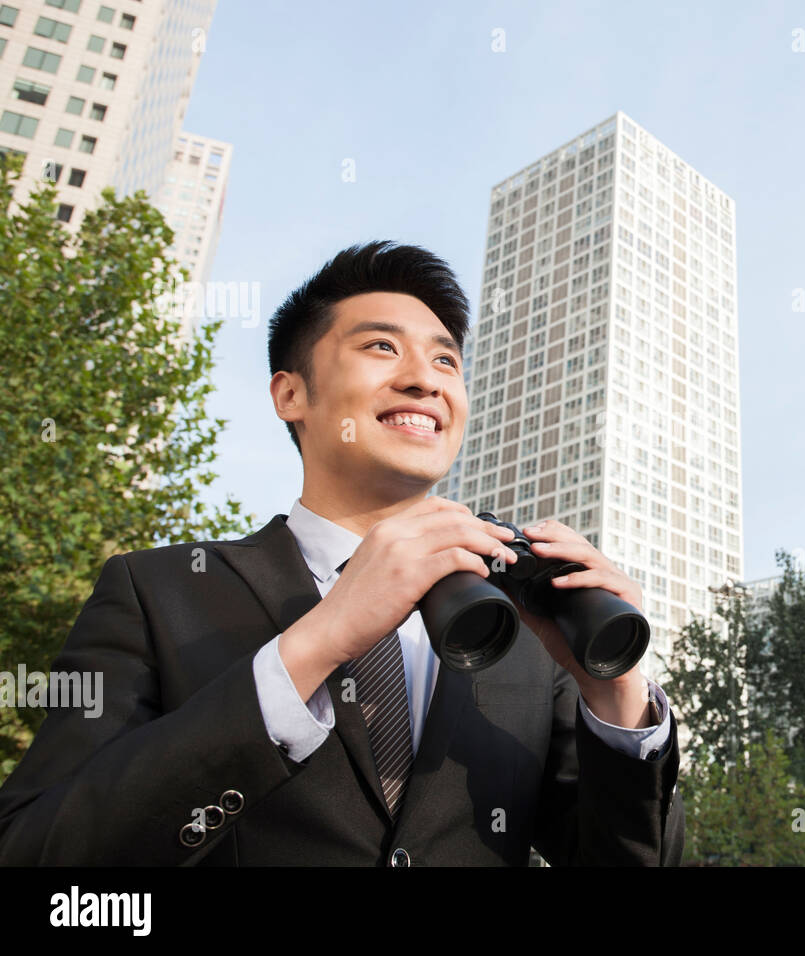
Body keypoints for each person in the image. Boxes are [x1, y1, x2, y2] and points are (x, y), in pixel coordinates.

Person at [0, 241, 683, 866]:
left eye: (446, 359)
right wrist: (315, 645)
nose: (426, 379)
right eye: (382, 347)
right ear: (289, 393)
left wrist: (615, 695)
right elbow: (39, 853)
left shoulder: (528, 637)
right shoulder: (156, 592)